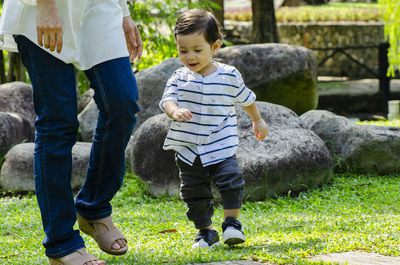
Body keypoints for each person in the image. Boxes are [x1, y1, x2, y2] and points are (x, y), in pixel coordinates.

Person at [0, 0, 142, 264]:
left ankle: (93, 206)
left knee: (122, 101)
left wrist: (124, 12)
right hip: (43, 10)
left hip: (99, 8)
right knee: (58, 121)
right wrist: (45, 5)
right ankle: (61, 243)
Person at [159, 9, 269, 249]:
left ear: (215, 46)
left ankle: (232, 224)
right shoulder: (179, 77)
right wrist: (173, 110)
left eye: (198, 50)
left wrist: (257, 120)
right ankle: (205, 233)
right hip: (189, 149)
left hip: (221, 144)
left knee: (231, 181)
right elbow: (167, 100)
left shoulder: (228, 76)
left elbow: (246, 99)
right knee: (193, 192)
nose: (190, 57)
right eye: (183, 50)